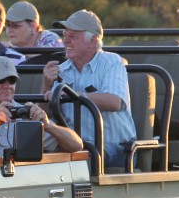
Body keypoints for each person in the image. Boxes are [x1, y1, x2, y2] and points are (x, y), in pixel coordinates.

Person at [40, 9, 135, 168]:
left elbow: (115, 101)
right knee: (33, 153)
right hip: (73, 144)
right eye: (65, 35)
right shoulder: (61, 70)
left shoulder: (111, 62)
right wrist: (46, 86)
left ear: (93, 40)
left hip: (116, 148)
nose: (66, 41)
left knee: (81, 157)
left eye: (73, 37)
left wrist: (76, 95)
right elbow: (44, 115)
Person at [0, 56, 83, 157]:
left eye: (12, 80)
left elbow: (76, 146)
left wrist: (47, 125)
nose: (7, 86)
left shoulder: (25, 115)